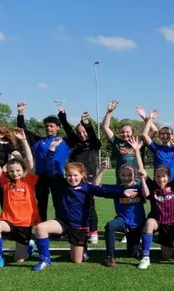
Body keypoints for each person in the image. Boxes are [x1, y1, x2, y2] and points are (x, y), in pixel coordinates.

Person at [30, 140, 131, 271]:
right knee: (40, 228)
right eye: (69, 175)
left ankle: (82, 250)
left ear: (82, 175)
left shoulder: (87, 187)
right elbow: (50, 167)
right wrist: (51, 149)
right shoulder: (61, 184)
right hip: (62, 222)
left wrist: (123, 192)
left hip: (79, 226)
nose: (72, 178)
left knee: (77, 261)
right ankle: (45, 260)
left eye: (75, 175)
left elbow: (105, 191)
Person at [0, 126, 39, 271]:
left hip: (25, 224)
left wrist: (24, 140)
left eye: (18, 170)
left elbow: (30, 159)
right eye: (11, 171)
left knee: (19, 260)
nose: (14, 173)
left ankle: (28, 246)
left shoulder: (29, 181)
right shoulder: (5, 181)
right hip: (8, 221)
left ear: (24, 171)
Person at [16, 102, 71, 223]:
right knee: (41, 203)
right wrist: (20, 113)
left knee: (59, 203)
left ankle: (59, 227)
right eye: (46, 126)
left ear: (58, 127)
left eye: (51, 126)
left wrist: (63, 117)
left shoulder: (65, 142)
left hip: (57, 176)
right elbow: (22, 131)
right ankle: (42, 226)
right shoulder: (38, 141)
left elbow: (70, 130)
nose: (48, 128)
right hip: (40, 176)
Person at [138, 135, 174, 270]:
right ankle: (145, 256)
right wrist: (137, 151)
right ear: (155, 177)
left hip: (169, 223)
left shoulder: (173, 185)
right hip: (157, 221)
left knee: (167, 256)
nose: (160, 179)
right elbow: (141, 171)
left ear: (168, 177)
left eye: (163, 177)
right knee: (149, 223)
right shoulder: (153, 186)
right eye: (158, 177)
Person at [58, 108, 103, 243]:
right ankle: (74, 229)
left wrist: (86, 123)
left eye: (84, 131)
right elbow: (67, 128)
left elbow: (91, 133)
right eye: (79, 132)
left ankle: (93, 232)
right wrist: (62, 116)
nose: (82, 134)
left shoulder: (95, 144)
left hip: (89, 180)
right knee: (73, 205)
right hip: (73, 179)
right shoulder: (75, 144)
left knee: (90, 206)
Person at [96, 159, 148, 268]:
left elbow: (147, 195)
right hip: (122, 222)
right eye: (123, 175)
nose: (126, 177)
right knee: (111, 225)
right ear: (119, 175)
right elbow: (96, 186)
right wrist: (101, 170)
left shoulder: (139, 188)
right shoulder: (117, 189)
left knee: (132, 254)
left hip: (137, 225)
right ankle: (110, 257)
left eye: (129, 175)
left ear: (134, 175)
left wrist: (142, 178)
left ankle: (138, 245)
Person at [103, 100, 146, 178]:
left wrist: (144, 117)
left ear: (132, 132)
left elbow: (154, 131)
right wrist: (109, 112)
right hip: (122, 180)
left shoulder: (138, 142)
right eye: (122, 132)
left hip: (137, 180)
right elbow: (106, 128)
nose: (125, 134)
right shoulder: (116, 142)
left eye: (127, 132)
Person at [141, 109, 174, 179]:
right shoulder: (156, 148)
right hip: (158, 183)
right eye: (162, 134)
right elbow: (145, 135)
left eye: (167, 133)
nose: (165, 136)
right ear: (159, 136)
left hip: (173, 185)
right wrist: (150, 119)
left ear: (172, 135)